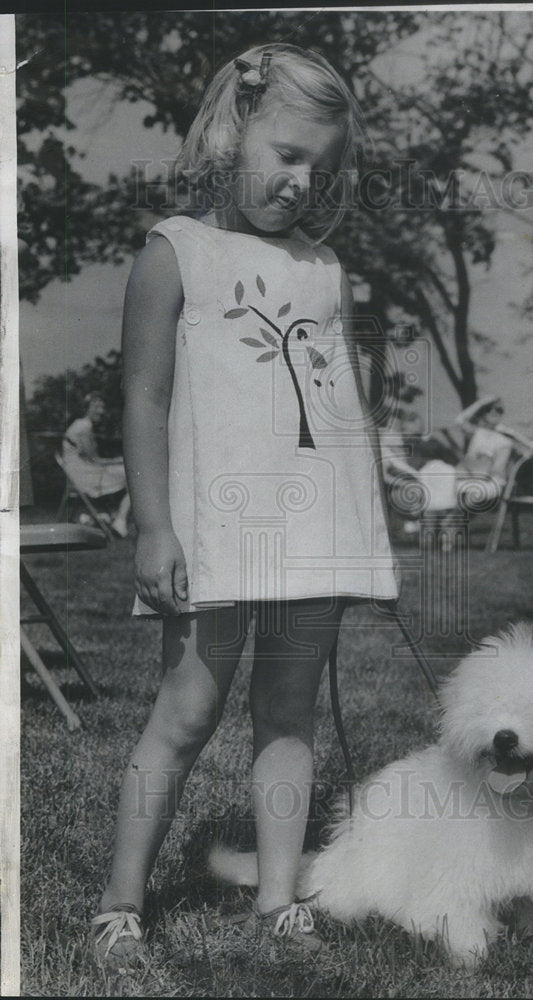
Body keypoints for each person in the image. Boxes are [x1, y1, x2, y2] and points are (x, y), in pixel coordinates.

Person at [90, 45, 398, 968]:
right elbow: (143, 397)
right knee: (186, 711)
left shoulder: (326, 267)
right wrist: (154, 525)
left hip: (312, 523)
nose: (302, 183)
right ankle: (119, 903)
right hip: (211, 529)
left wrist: (365, 531)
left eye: (323, 168)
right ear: (233, 129)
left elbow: (340, 405)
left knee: (289, 714)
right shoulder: (175, 250)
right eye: (288, 154)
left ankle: (277, 903)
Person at [454, 395, 533, 509]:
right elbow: (459, 421)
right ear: (484, 414)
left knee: (470, 496)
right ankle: (449, 522)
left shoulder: (507, 436)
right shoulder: (477, 433)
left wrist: (514, 435)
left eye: (500, 411)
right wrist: (481, 403)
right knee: (445, 489)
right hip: (470, 477)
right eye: (490, 410)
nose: (495, 413)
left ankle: (451, 522)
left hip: (492, 481)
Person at [62, 393, 131, 537]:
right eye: (96, 407)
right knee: (135, 478)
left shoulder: (79, 424)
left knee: (127, 473)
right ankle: (120, 521)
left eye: (102, 407)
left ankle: (107, 517)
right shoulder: (84, 426)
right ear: (86, 408)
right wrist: (122, 460)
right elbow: (95, 460)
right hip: (83, 475)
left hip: (78, 472)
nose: (101, 411)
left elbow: (91, 459)